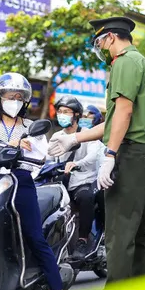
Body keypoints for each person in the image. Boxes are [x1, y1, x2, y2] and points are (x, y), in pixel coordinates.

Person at [48, 17, 145, 290]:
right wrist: (75, 137)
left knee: (119, 231)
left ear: (110, 38)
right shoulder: (142, 63)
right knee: (140, 232)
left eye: (99, 42)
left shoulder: (123, 63)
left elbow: (122, 113)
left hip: (130, 154)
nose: (98, 49)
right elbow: (113, 120)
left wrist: (110, 154)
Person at [0, 72, 65, 290]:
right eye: (8, 95)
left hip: (21, 181)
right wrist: (13, 144)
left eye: (18, 96)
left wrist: (26, 146)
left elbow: (40, 154)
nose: (13, 100)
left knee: (35, 236)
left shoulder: (31, 126)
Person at [50, 96, 101, 259]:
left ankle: (83, 240)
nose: (62, 115)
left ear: (77, 115)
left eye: (66, 112)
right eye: (60, 111)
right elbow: (48, 157)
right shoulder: (56, 136)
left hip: (82, 182)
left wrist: (77, 164)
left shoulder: (88, 134)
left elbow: (93, 156)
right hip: (61, 184)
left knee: (86, 198)